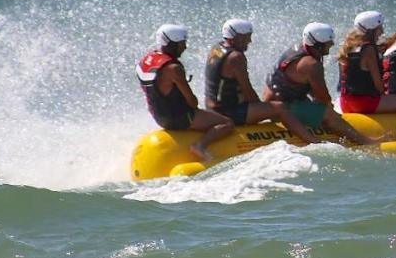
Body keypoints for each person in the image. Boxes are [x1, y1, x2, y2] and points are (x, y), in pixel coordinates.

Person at [263, 22, 385, 146]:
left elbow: (303, 85)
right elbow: (323, 98)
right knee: (328, 113)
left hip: (274, 102)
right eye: (328, 42)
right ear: (319, 45)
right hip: (283, 107)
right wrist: (329, 109)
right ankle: (365, 141)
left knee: (320, 108)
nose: (332, 44)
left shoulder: (298, 49)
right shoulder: (312, 64)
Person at [204, 18, 319, 143]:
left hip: (212, 108)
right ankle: (312, 140)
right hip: (229, 112)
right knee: (280, 107)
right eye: (247, 37)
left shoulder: (217, 48)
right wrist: (263, 110)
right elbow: (247, 89)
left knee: (272, 107)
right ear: (237, 37)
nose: (250, 41)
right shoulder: (236, 57)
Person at [136, 23, 234, 162]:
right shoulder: (174, 69)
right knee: (227, 123)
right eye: (182, 43)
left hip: (159, 117)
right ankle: (200, 145)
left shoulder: (146, 61)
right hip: (179, 118)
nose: (185, 47)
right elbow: (192, 102)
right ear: (173, 44)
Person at [336, 10, 396, 140]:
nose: (382, 32)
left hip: (345, 102)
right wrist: (390, 98)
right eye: (380, 28)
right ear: (372, 30)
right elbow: (378, 84)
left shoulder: (347, 46)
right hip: (363, 103)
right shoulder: (369, 49)